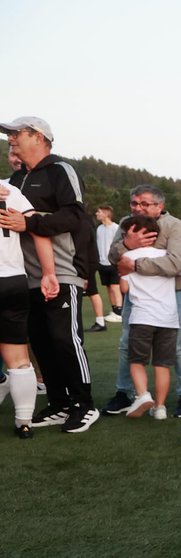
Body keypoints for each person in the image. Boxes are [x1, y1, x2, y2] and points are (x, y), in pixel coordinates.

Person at [0, 115, 98, 434]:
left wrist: (30, 222)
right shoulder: (15, 181)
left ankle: (84, 404)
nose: (11, 138)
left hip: (62, 270)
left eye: (17, 133)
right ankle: (58, 403)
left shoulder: (60, 170)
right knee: (41, 341)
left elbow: (74, 216)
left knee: (65, 338)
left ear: (39, 136)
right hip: (23, 274)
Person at [103, 184, 181, 419]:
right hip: (136, 298)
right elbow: (112, 257)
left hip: (172, 296)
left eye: (144, 204)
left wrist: (136, 264)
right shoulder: (127, 222)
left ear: (160, 206)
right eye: (134, 203)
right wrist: (128, 245)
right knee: (127, 344)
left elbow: (177, 263)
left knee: (178, 346)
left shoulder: (175, 226)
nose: (138, 208)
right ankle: (125, 393)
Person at [0, 174, 56, 438]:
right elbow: (38, 228)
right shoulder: (10, 191)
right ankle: (24, 421)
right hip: (12, 280)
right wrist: (48, 271)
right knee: (19, 358)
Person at [115, 215, 180, 419]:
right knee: (162, 365)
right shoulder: (167, 255)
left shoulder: (128, 258)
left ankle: (142, 395)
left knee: (137, 361)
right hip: (169, 318)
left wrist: (123, 273)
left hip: (142, 316)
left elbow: (124, 288)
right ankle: (160, 408)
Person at [94, 205, 123, 322]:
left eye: (99, 212)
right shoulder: (99, 229)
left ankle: (119, 313)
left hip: (113, 263)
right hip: (102, 263)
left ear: (106, 214)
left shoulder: (116, 228)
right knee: (108, 287)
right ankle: (114, 310)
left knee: (115, 287)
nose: (97, 214)